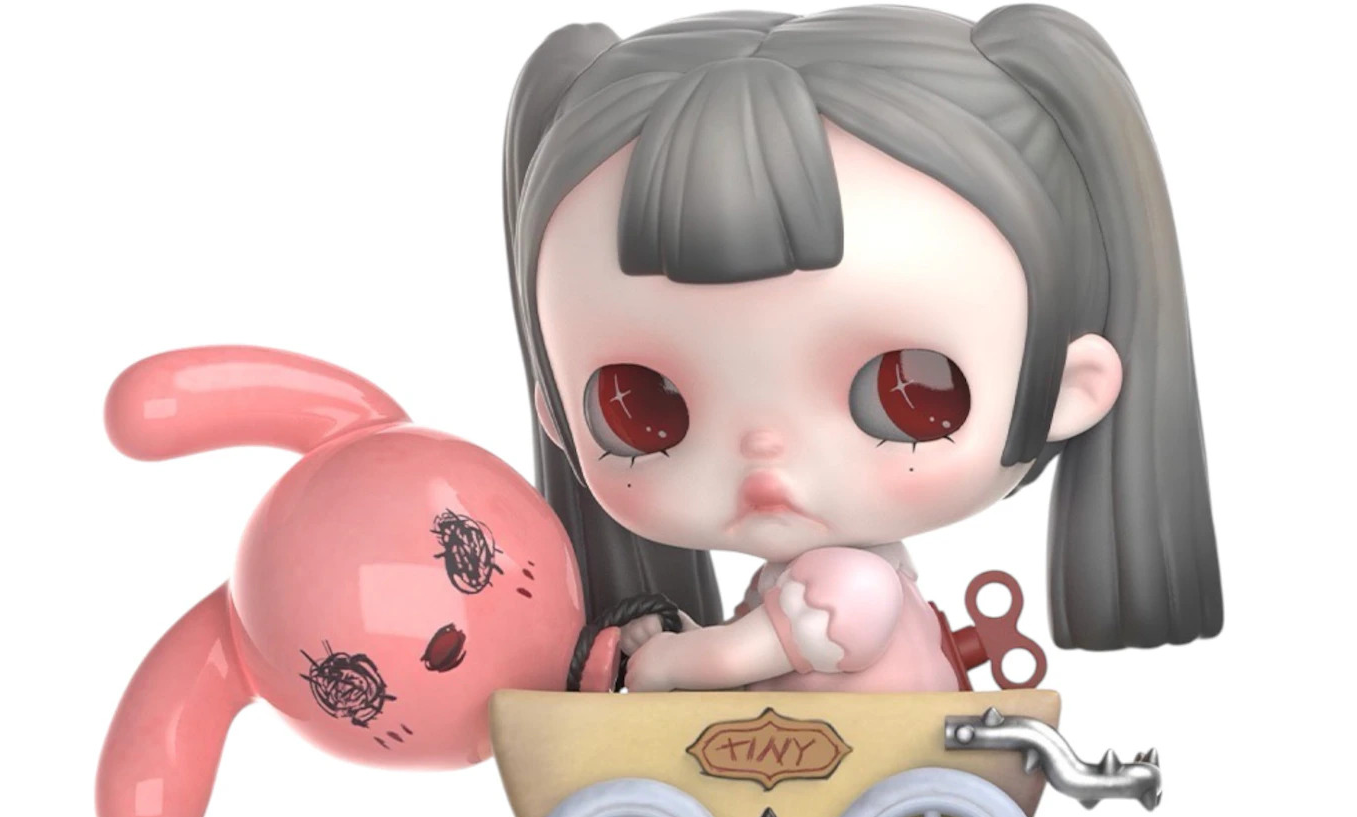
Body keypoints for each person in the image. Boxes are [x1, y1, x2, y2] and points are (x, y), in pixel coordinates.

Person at [503, 4, 1222, 692]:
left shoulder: (855, 587)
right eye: (639, 406)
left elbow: (746, 656)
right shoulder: (790, 588)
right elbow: (748, 660)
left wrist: (679, 660)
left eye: (904, 391)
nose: (764, 450)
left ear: (1068, 386)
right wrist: (679, 640)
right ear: (554, 412)